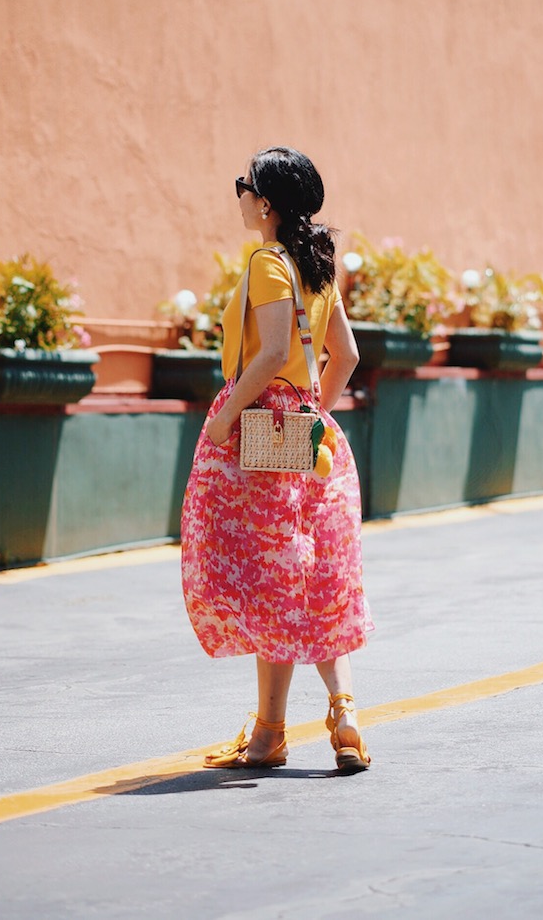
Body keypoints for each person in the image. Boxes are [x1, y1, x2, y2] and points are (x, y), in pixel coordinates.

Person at [181, 146, 374, 772]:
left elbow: (267, 356)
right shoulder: (317, 265)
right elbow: (343, 356)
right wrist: (312, 412)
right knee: (316, 580)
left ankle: (269, 735)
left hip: (260, 441)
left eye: (244, 184)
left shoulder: (268, 263)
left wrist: (227, 419)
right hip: (311, 444)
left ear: (264, 202)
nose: (237, 192)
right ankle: (342, 715)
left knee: (271, 583)